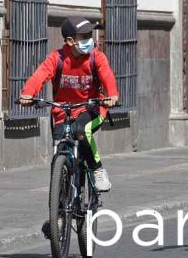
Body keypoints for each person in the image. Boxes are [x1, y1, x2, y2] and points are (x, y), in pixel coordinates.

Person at [19, 16, 119, 192]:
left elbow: (107, 75)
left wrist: (112, 95)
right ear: (70, 41)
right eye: (85, 36)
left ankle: (97, 170)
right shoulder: (57, 58)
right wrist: (28, 94)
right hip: (62, 111)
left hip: (91, 108)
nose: (90, 39)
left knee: (82, 130)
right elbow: (40, 74)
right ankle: (57, 208)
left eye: (90, 34)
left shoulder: (97, 57)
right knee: (60, 153)